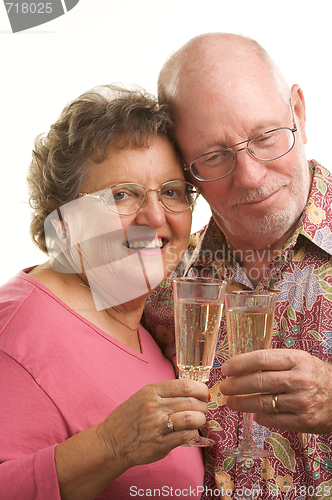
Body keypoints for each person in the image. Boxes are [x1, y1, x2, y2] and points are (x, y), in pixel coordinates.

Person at [144, 33, 332, 498]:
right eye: (214, 157)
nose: (251, 176)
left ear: (299, 113)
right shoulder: (161, 279)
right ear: (185, 169)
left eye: (266, 136)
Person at [0, 84, 209, 500]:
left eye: (171, 192)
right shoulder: (17, 327)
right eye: (122, 195)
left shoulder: (151, 326)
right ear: (62, 225)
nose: (154, 216)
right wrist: (111, 445)